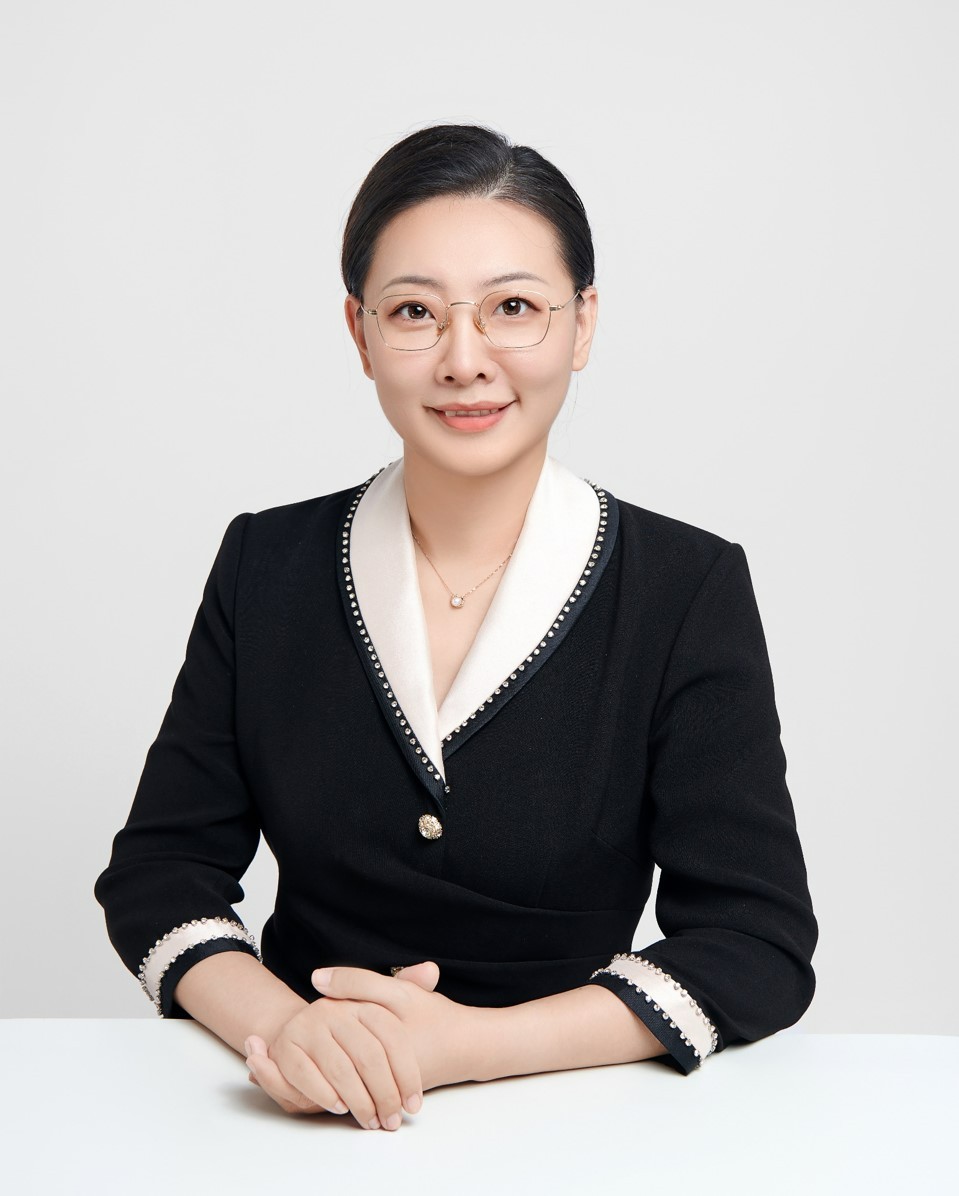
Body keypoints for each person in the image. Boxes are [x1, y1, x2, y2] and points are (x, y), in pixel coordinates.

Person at [95, 123, 817, 1131]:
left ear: (581, 324)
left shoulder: (684, 586)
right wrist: (288, 1029)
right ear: (359, 334)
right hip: (290, 1116)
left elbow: (756, 941)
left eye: (513, 307)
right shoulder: (268, 562)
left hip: (576, 1122)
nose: (464, 360)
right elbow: (158, 873)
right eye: (413, 313)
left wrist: (466, 1047)